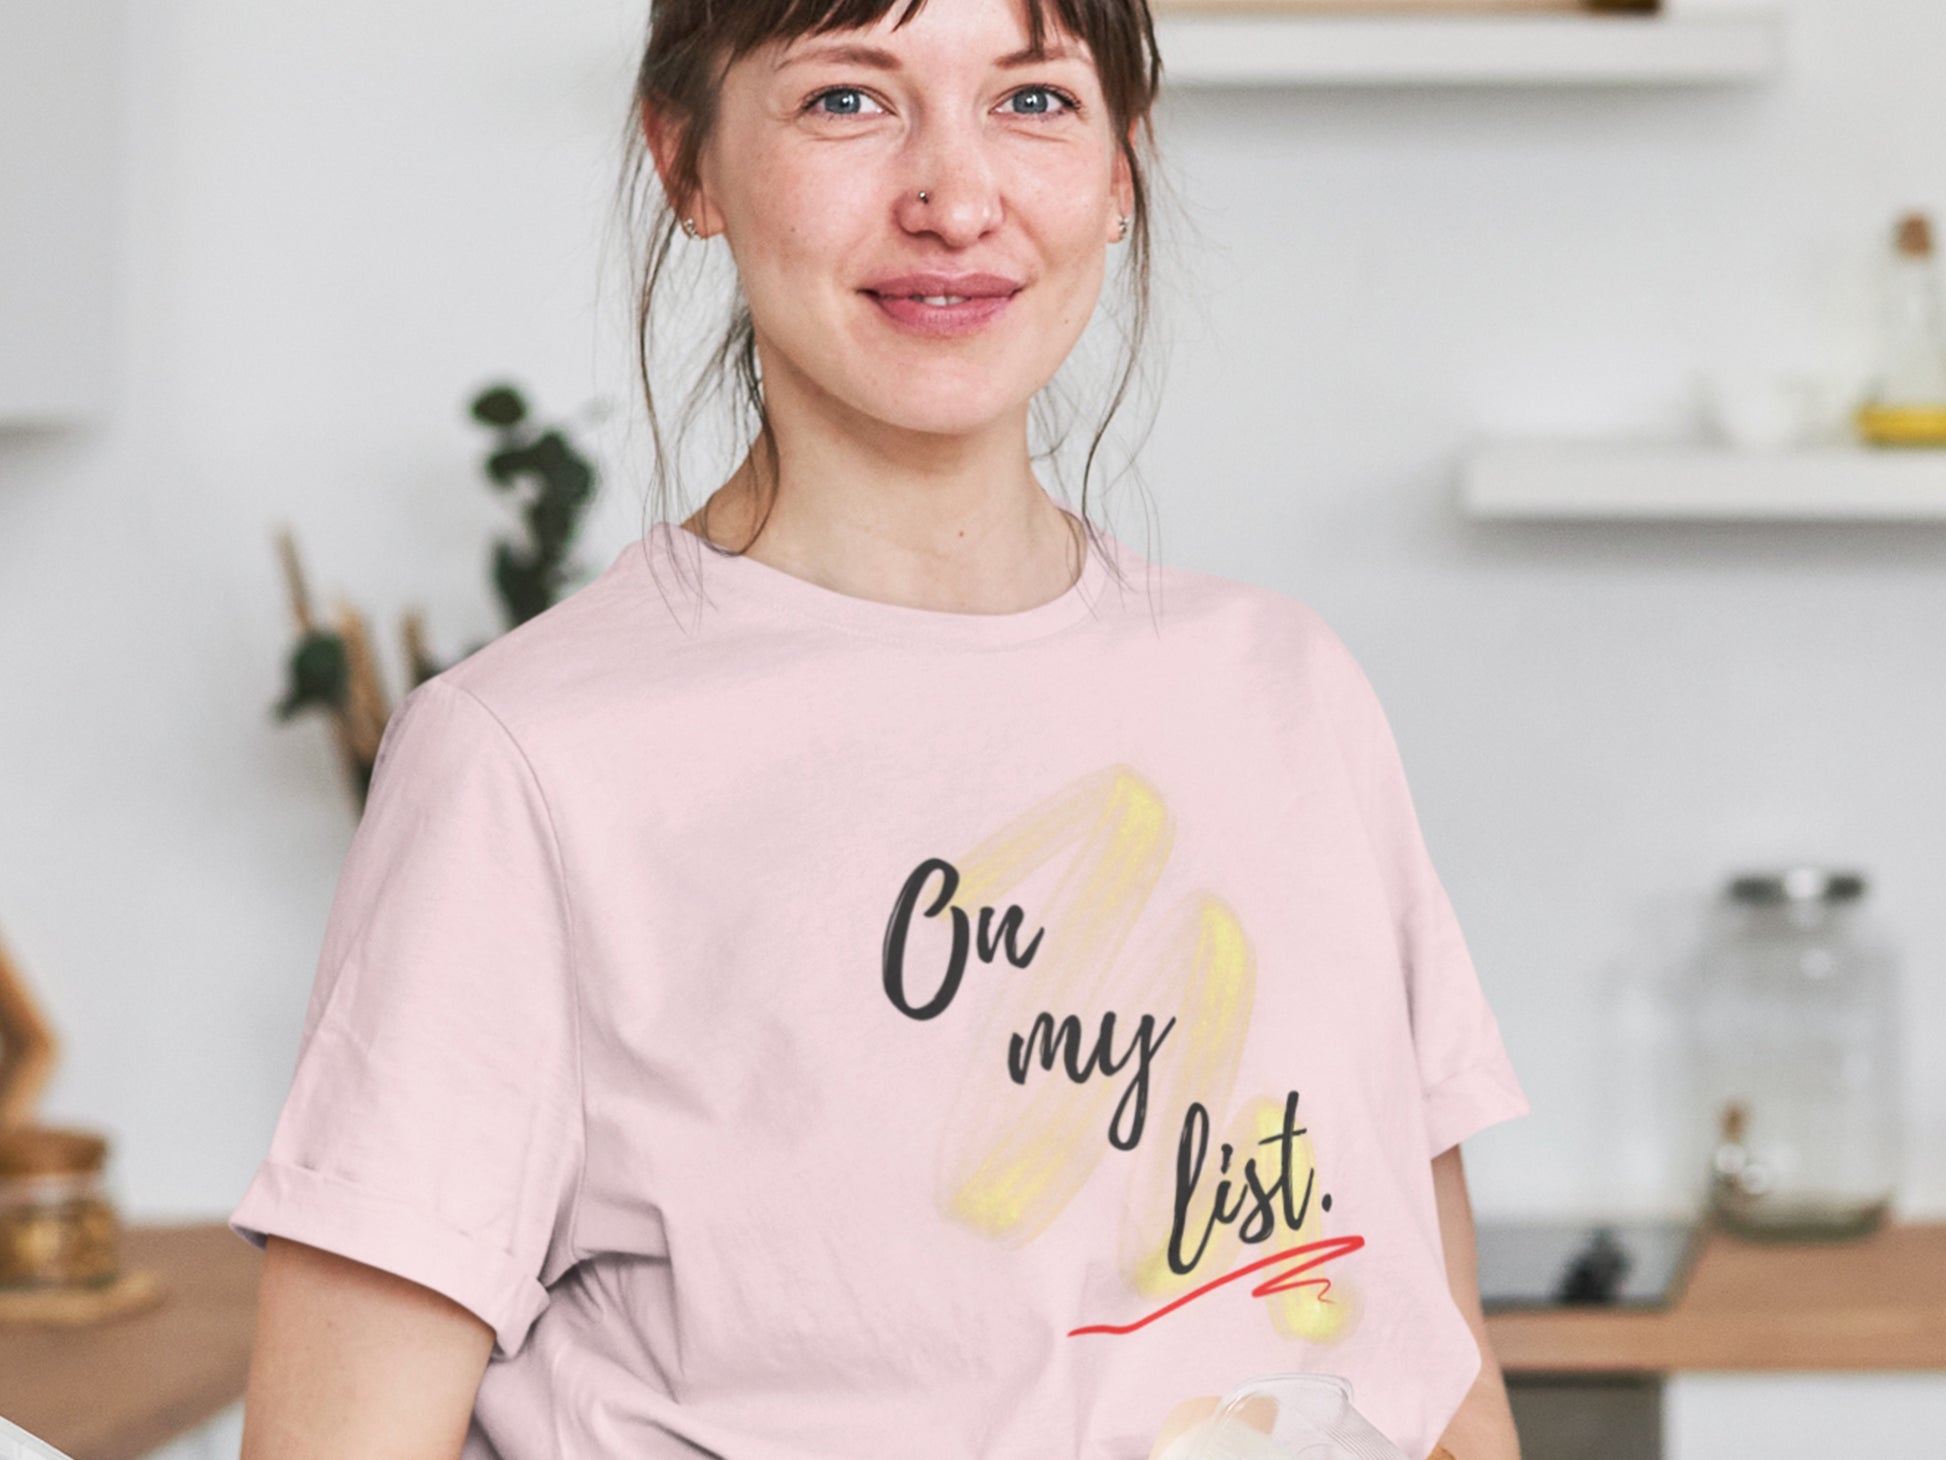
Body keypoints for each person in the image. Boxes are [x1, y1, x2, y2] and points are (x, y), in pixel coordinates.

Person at [227, 0, 1531, 1455]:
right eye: (847, 101)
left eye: (1032, 101)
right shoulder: (524, 764)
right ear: (687, 163)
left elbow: (1443, 1375)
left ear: (1119, 168)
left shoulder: (1288, 692)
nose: (954, 200)